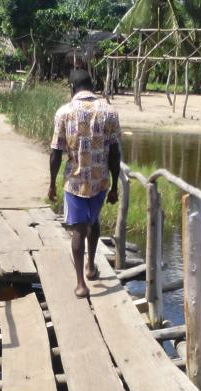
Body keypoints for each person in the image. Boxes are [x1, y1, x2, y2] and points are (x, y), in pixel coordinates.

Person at [48, 69, 122, 298]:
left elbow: (56, 152)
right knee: (94, 220)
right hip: (100, 182)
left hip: (75, 182)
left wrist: (51, 183)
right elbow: (115, 152)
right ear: (92, 85)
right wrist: (115, 186)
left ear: (72, 87)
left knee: (78, 230)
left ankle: (81, 284)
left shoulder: (64, 112)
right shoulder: (109, 112)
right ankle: (91, 266)